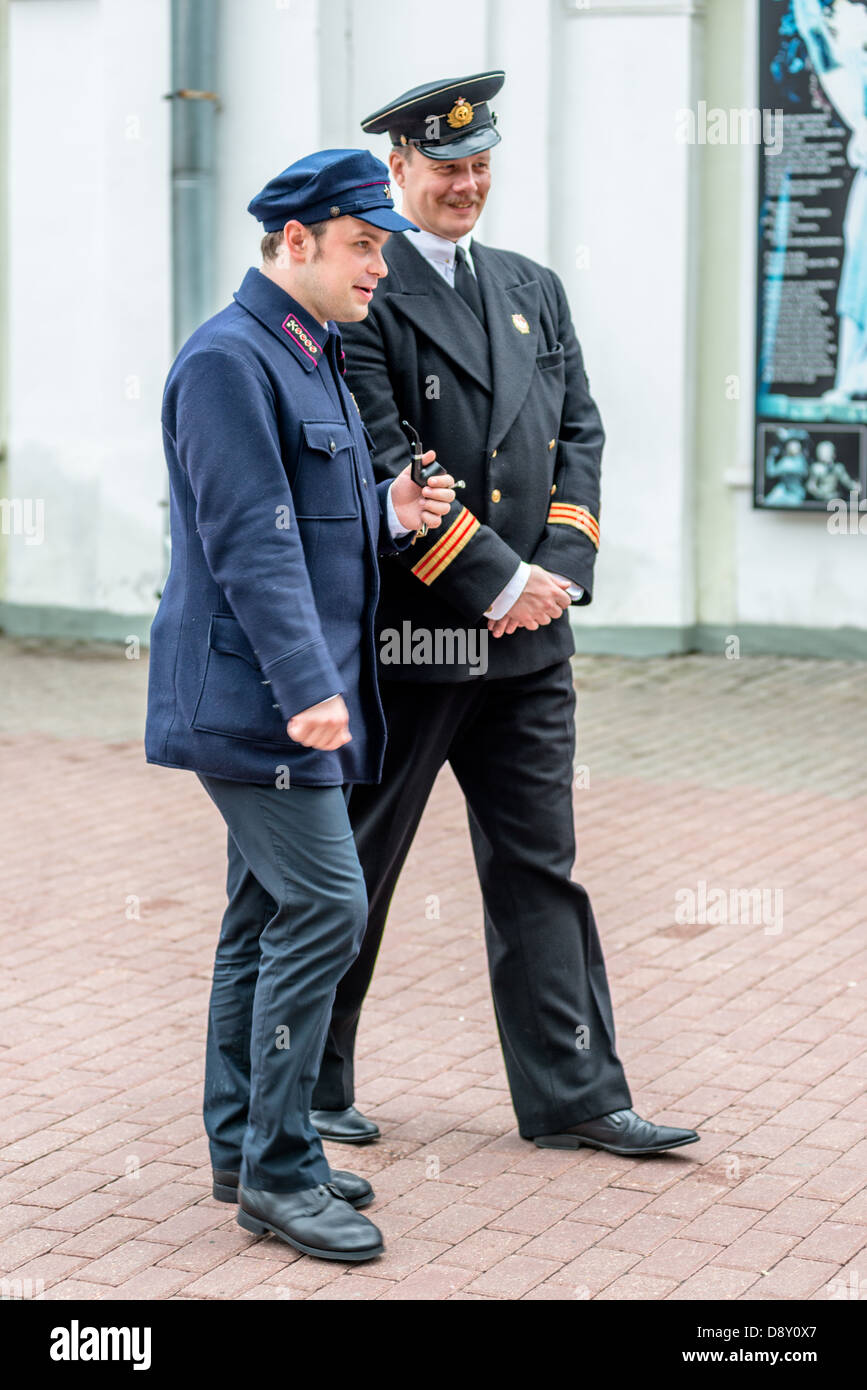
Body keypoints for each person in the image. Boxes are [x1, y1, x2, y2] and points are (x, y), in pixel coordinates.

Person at [309, 74, 701, 1157]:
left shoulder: (533, 286)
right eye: (445, 169)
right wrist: (495, 577)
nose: (467, 184)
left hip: (532, 644)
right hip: (416, 640)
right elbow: (394, 457)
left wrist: (558, 569)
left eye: (480, 165)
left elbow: (581, 432)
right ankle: (311, 1085)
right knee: (356, 869)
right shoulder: (366, 295)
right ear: (399, 172)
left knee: (541, 866)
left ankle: (577, 1091)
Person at [145, 148, 455, 1261]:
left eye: (381, 247)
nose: (379, 266)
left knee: (262, 919)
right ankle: (278, 1172)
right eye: (364, 246)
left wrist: (387, 508)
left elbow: (311, 520)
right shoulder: (231, 360)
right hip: (261, 698)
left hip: (284, 692)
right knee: (329, 906)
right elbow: (250, 544)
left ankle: (244, 1144)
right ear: (296, 243)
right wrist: (311, 689)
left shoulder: (307, 352)